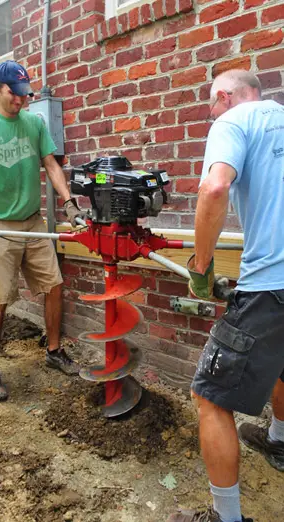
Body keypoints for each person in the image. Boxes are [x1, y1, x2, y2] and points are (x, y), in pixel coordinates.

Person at [167, 69, 284, 522]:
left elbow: (214, 187)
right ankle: (277, 439)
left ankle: (226, 517)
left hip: (270, 285)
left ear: (224, 97)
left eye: (210, 107)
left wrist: (201, 264)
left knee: (211, 398)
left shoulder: (234, 122)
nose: (211, 115)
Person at [0, 60, 84, 402]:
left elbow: (51, 164)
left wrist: (69, 203)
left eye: (24, 95)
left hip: (33, 223)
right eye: (13, 94)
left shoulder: (34, 123)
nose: (20, 101)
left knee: (54, 286)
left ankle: (53, 351)